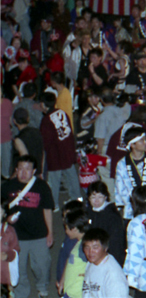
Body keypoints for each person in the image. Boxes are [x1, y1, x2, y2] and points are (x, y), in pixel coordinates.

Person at [1, 156, 55, 298]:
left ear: (34, 171)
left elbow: (48, 209)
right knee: (18, 268)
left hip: (39, 235)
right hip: (16, 237)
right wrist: (7, 219)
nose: (23, 172)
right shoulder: (7, 187)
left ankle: (42, 286)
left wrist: (50, 232)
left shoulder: (42, 186)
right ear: (16, 169)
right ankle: (21, 293)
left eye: (27, 169)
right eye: (20, 169)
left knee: (42, 265)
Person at [40, 91, 83, 207]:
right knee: (72, 176)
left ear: (44, 104)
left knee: (54, 181)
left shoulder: (46, 120)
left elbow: (46, 142)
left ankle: (54, 205)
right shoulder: (62, 113)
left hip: (55, 155)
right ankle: (77, 198)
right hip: (68, 150)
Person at [115, 127, 146, 220]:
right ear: (132, 145)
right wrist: (132, 203)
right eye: (141, 140)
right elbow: (120, 188)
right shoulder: (122, 164)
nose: (145, 142)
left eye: (145, 139)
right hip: (133, 206)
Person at [85, 181, 126, 266]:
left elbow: (116, 244)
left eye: (100, 197)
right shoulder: (88, 212)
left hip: (108, 258)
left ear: (105, 197)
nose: (96, 201)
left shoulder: (112, 216)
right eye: (93, 197)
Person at [81, 227, 129, 298]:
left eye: (95, 247)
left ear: (105, 248)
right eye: (87, 247)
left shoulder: (113, 275)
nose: (90, 252)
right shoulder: (91, 264)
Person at [57, 210, 89, 298]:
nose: (66, 231)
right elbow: (69, 260)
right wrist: (62, 281)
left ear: (74, 229)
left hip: (77, 294)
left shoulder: (84, 247)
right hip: (70, 290)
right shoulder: (78, 243)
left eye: (66, 228)